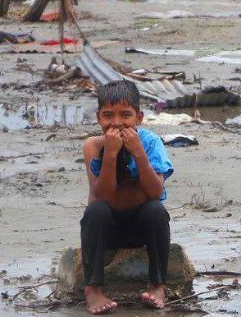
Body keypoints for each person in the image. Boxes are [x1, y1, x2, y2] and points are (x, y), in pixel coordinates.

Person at [81, 80, 174, 314]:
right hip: (107, 229)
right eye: (108, 115)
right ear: (98, 117)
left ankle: (157, 285)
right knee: (95, 211)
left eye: (126, 115)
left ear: (139, 118)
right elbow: (101, 195)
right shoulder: (93, 146)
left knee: (156, 211)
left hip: (142, 228)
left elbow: (155, 192)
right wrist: (111, 153)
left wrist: (138, 151)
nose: (116, 123)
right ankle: (93, 289)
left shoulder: (151, 143)